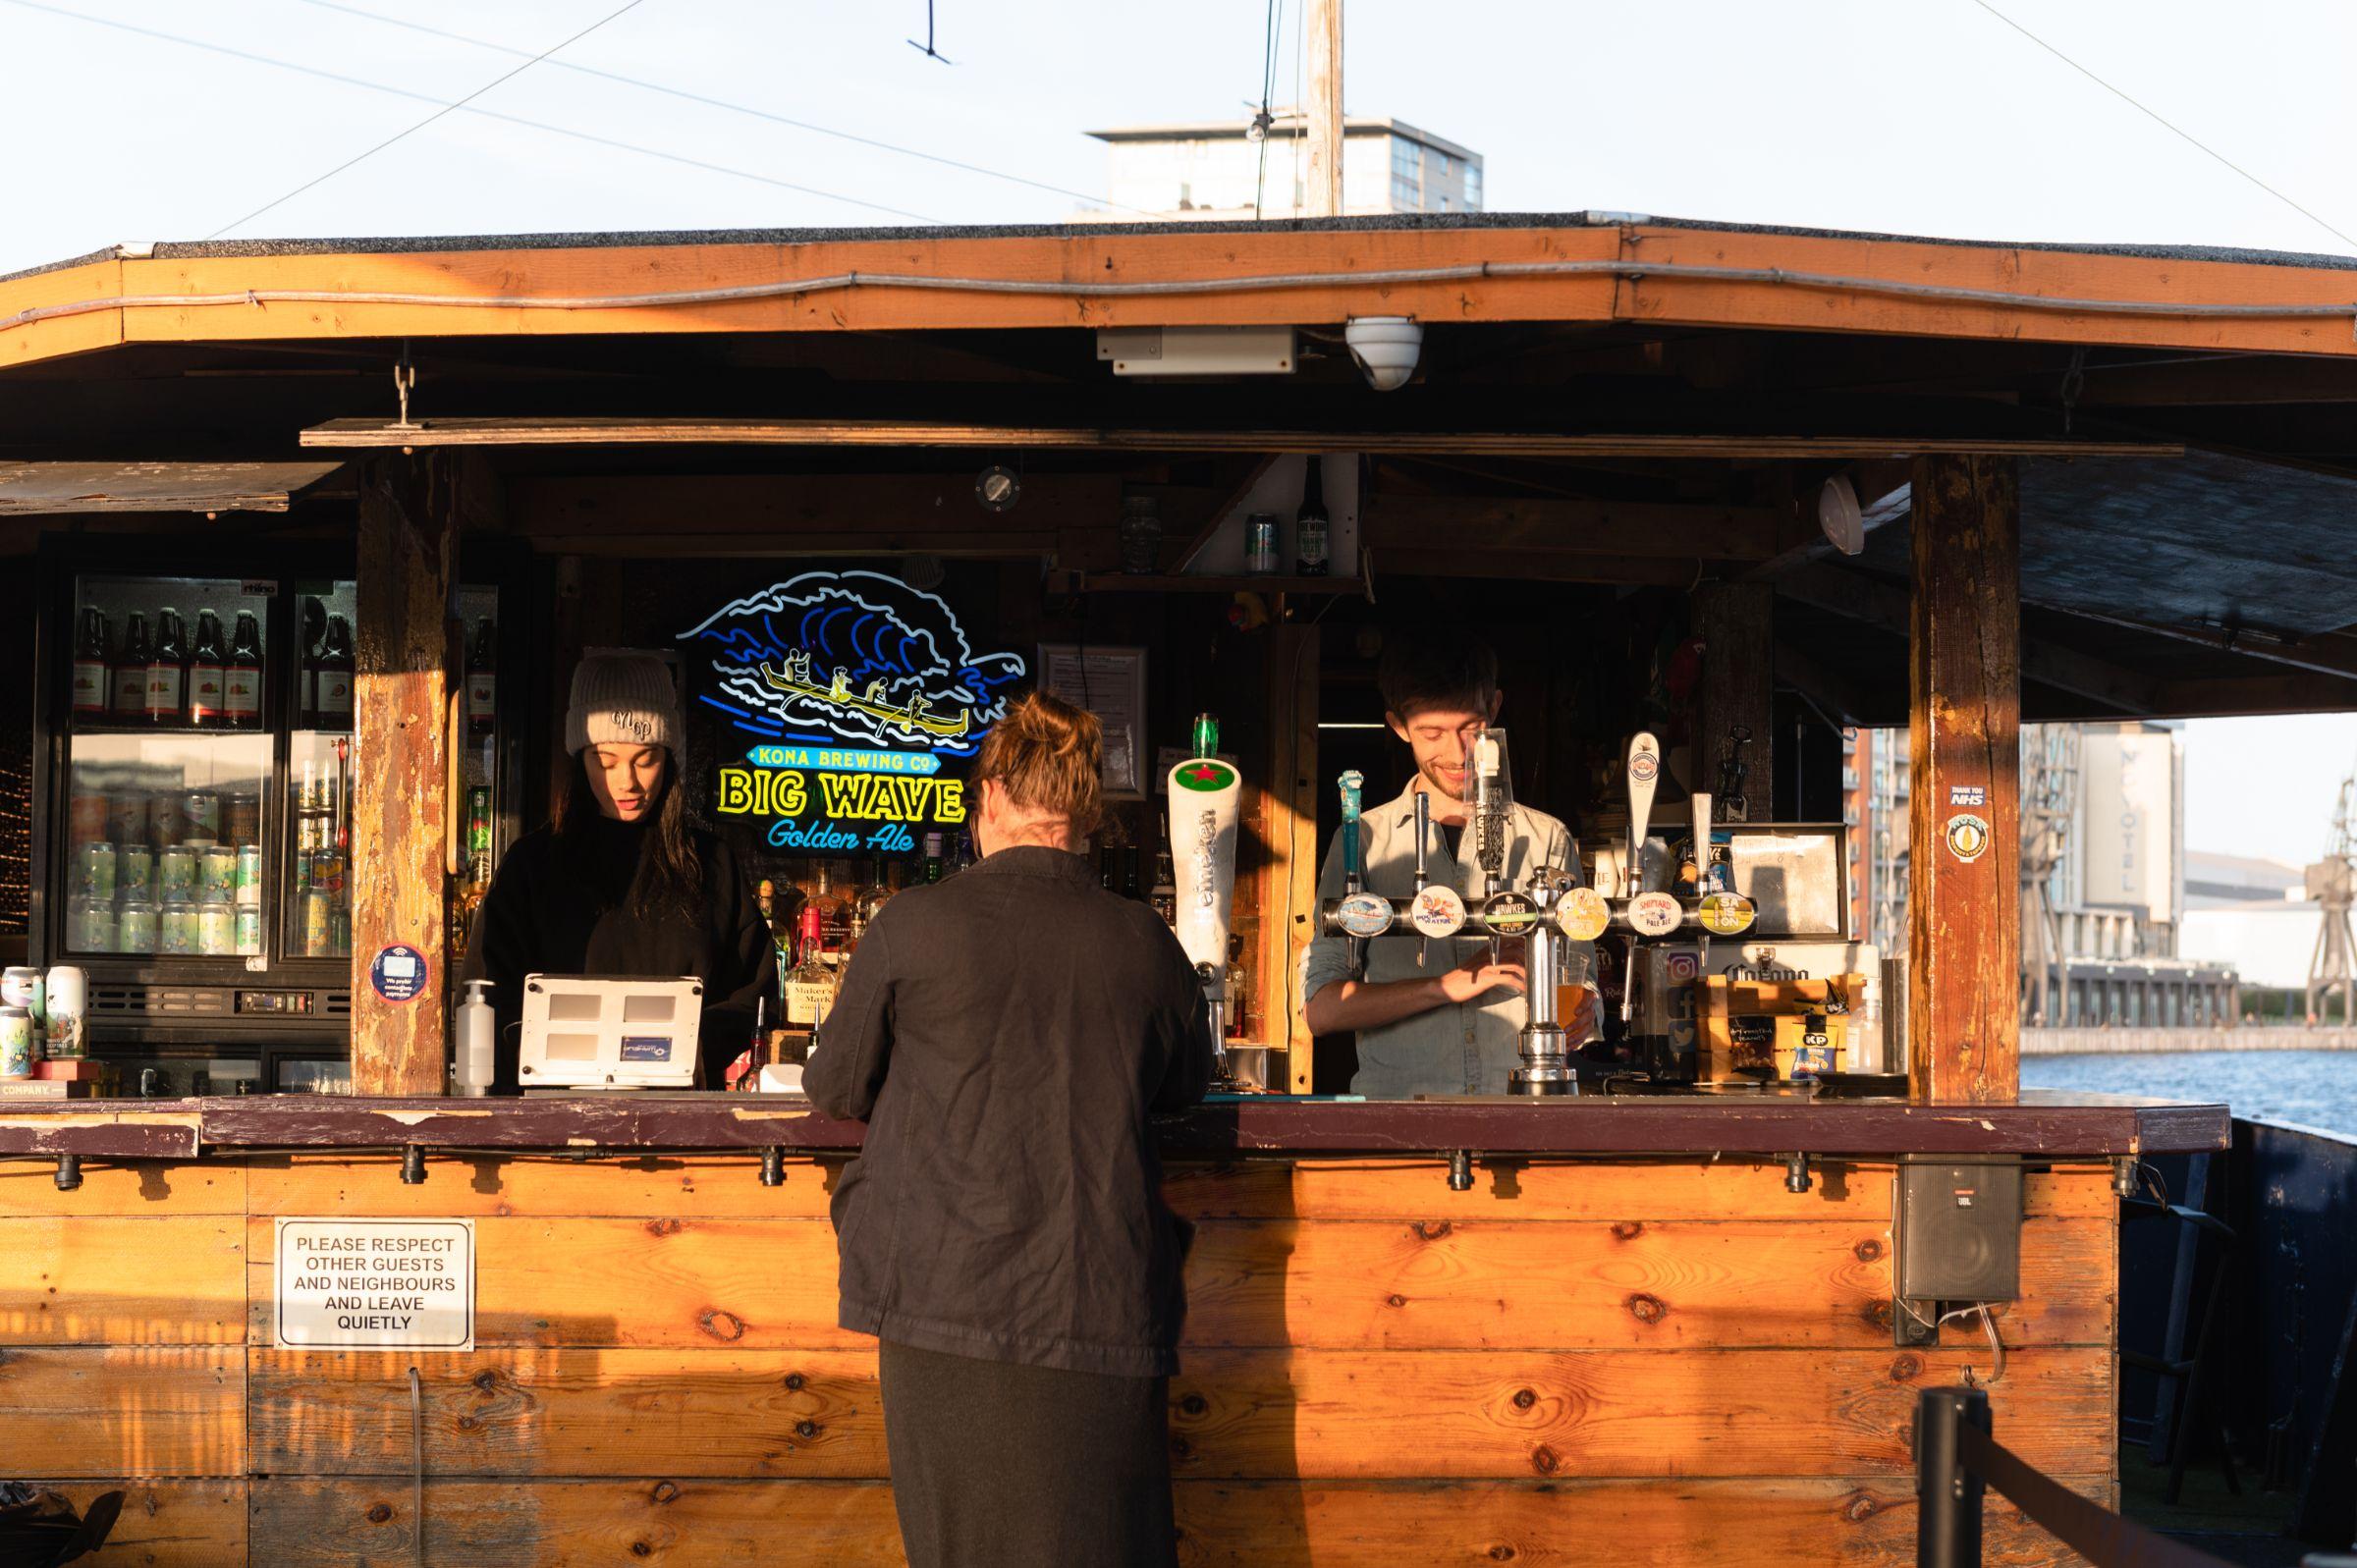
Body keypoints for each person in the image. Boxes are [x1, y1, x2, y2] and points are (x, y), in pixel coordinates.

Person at [806, 690, 1213, 1568]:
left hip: (943, 1298)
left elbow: (834, 1085)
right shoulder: (1145, 941)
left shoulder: (911, 926)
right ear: (1088, 812)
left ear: (988, 797)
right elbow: (1188, 1087)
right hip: (1100, 1296)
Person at [463, 650, 779, 1092]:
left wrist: (691, 1048)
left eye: (645, 758)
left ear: (670, 757)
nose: (626, 782)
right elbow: (486, 995)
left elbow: (757, 993)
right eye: (605, 761)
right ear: (579, 760)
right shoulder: (532, 866)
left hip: (683, 1126)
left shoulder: (711, 864)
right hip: (549, 1125)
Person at [1301, 627, 1598, 1096]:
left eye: (1472, 730)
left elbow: (1583, 980)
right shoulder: (1363, 841)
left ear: (1495, 708)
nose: (1458, 754)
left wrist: (1586, 1012)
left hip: (1525, 1114)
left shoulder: (1547, 838)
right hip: (1403, 1122)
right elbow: (1322, 1010)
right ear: (1398, 726)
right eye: (1432, 734)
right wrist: (1448, 984)